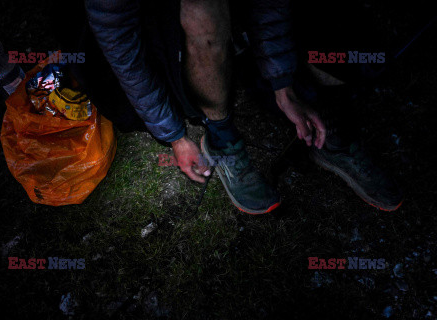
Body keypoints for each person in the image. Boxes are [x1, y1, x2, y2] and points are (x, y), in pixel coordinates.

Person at [81, 0, 403, 213]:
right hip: (159, 24)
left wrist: (284, 87)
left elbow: (270, 5)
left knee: (356, 51)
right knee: (203, 12)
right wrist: (175, 136)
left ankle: (318, 117)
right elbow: (124, 54)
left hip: (235, 16)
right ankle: (221, 136)